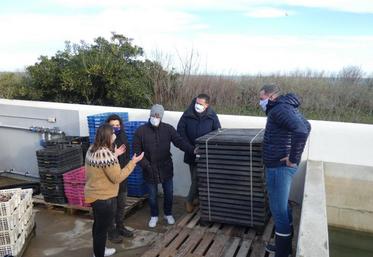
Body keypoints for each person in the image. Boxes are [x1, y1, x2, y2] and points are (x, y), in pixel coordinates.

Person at [259, 84, 311, 257]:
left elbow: (302, 130)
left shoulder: (279, 109)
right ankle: (285, 247)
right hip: (279, 167)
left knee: (278, 210)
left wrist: (293, 157)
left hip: (279, 168)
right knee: (283, 207)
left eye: (262, 98)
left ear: (271, 96)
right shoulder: (287, 107)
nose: (261, 102)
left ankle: (282, 253)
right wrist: (292, 152)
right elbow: (307, 125)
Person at [85, 124, 144, 257]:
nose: (115, 135)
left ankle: (98, 250)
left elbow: (101, 166)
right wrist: (133, 162)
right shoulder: (107, 155)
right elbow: (117, 177)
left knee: (98, 226)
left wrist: (114, 154)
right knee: (102, 228)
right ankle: (99, 254)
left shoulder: (92, 149)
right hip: (104, 198)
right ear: (108, 136)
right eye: (113, 133)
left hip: (93, 195)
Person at [133, 104, 195, 228]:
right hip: (149, 168)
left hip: (165, 166)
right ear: (150, 115)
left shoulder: (168, 129)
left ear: (161, 117)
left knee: (169, 192)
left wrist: (192, 150)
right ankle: (154, 215)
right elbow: (137, 151)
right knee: (152, 195)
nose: (156, 117)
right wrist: (146, 166)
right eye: (154, 115)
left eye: (158, 116)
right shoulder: (141, 131)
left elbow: (179, 142)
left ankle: (168, 213)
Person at [177, 94, 221, 213]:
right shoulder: (187, 115)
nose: (197, 105)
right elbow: (180, 134)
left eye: (201, 104)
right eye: (197, 103)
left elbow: (217, 133)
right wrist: (191, 149)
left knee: (203, 179)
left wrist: (210, 150)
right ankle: (189, 200)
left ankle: (196, 199)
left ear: (206, 105)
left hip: (207, 154)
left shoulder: (212, 116)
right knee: (196, 179)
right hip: (192, 153)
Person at [105, 114, 133, 243]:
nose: (115, 128)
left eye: (117, 125)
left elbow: (127, 155)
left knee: (121, 204)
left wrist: (126, 169)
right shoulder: (105, 140)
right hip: (110, 179)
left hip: (122, 177)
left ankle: (120, 226)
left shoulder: (123, 136)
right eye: (112, 126)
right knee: (112, 207)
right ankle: (111, 232)